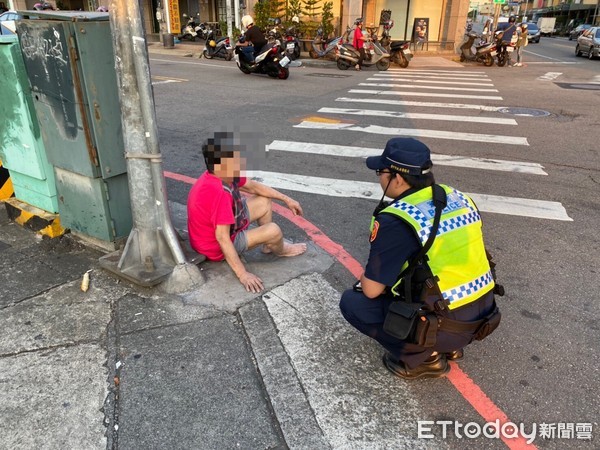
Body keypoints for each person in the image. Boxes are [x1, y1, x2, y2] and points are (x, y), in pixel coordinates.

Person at [339, 137, 501, 380]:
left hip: (443, 326)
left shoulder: (397, 220)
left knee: (353, 302)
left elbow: (372, 290)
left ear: (398, 178)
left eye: (381, 173)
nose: (379, 178)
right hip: (484, 315)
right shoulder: (458, 197)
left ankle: (427, 358)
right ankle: (452, 348)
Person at [187, 132, 307, 294]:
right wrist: (243, 274)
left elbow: (253, 187)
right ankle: (281, 249)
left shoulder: (222, 175)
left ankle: (268, 246)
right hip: (214, 247)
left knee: (264, 200)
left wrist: (287, 199)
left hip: (220, 230)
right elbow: (222, 237)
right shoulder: (219, 192)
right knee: (273, 230)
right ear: (219, 165)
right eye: (235, 160)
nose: (241, 163)